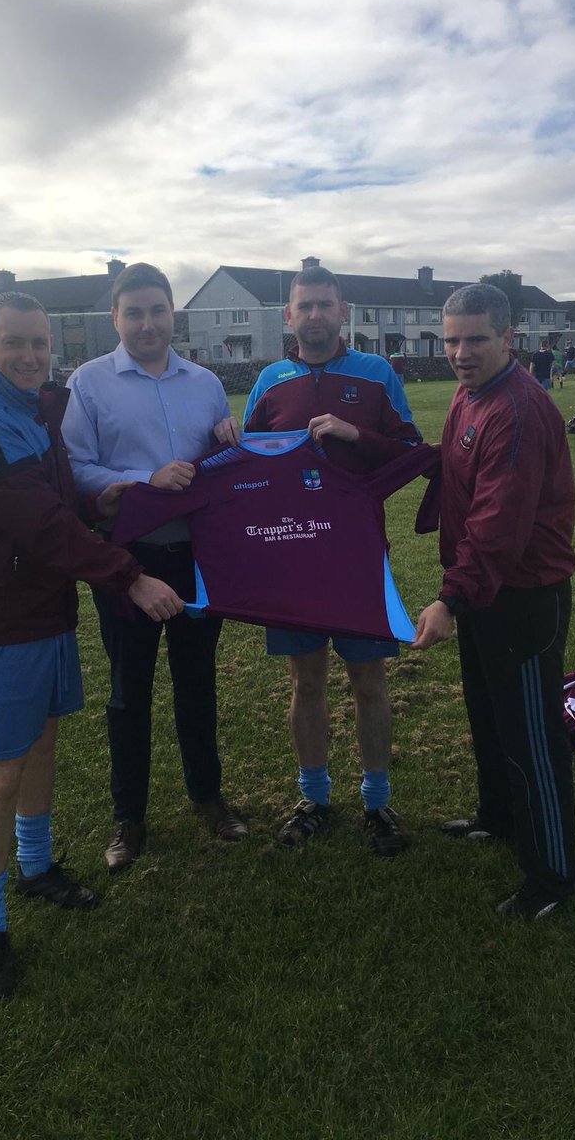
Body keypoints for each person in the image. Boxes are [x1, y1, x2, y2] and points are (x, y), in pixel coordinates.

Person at [0, 291, 182, 998]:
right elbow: (44, 527)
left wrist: (110, 502)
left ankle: (37, 869)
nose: (29, 356)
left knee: (40, 748)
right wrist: (130, 576)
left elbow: (64, 500)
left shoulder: (39, 406)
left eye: (38, 343)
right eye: (13, 343)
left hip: (46, 611)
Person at [62, 262, 247, 875]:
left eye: (157, 310)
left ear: (174, 315)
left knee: (198, 683)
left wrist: (227, 440)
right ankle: (129, 818)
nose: (147, 324)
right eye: (134, 312)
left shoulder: (206, 384)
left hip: (196, 556)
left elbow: (218, 469)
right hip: (128, 561)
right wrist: (144, 479)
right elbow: (76, 469)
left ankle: (208, 798)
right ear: (115, 318)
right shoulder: (88, 384)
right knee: (128, 692)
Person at [243, 265, 425, 856]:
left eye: (326, 304)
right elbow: (244, 464)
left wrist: (355, 435)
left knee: (369, 681)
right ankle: (314, 797)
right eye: (305, 306)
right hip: (291, 560)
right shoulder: (270, 381)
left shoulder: (376, 374)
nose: (315, 315)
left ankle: (378, 801)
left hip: (357, 556)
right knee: (307, 680)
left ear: (343, 311)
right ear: (288, 316)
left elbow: (410, 453)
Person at [412, 283, 575, 920]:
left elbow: (499, 527)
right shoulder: (469, 394)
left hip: (522, 597)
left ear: (509, 337)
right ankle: (498, 818)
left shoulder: (519, 409)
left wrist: (449, 599)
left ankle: (553, 880)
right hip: (483, 590)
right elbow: (452, 471)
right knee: (489, 714)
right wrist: (364, 445)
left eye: (475, 338)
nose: (459, 352)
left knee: (531, 735)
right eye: (451, 339)